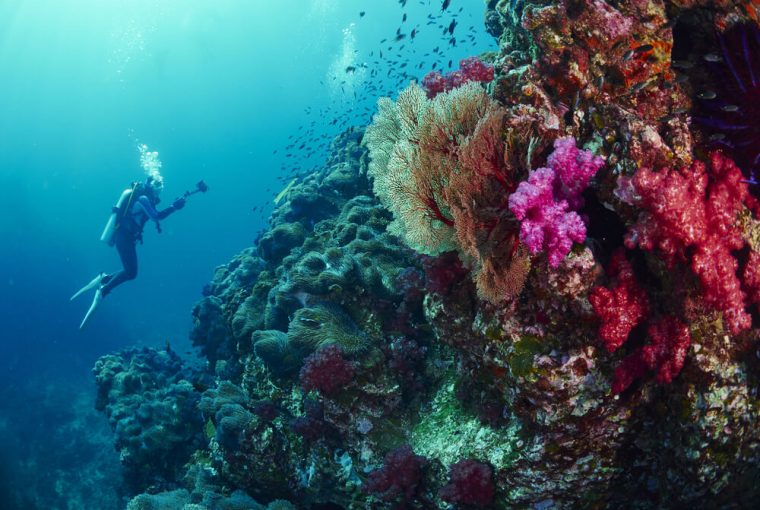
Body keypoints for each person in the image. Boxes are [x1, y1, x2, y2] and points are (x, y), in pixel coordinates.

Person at [72, 176, 186, 328]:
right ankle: (103, 290)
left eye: (162, 184)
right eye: (157, 184)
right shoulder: (144, 198)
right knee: (131, 272)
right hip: (123, 237)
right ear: (150, 185)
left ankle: (104, 279)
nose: (160, 187)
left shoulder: (147, 199)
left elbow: (153, 215)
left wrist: (173, 206)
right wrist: (174, 207)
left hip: (126, 238)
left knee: (131, 272)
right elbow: (155, 216)